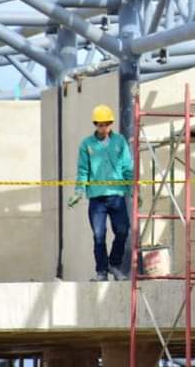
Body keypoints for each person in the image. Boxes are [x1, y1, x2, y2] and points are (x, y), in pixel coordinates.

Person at [67, 104, 134, 281]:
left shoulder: (120, 142)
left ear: (110, 123)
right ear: (95, 124)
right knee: (99, 235)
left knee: (123, 230)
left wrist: (134, 189)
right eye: (100, 124)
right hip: (97, 198)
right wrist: (79, 191)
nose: (103, 128)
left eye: (106, 124)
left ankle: (114, 263)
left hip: (116, 194)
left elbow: (128, 168)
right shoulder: (87, 145)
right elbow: (83, 170)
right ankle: (101, 271)